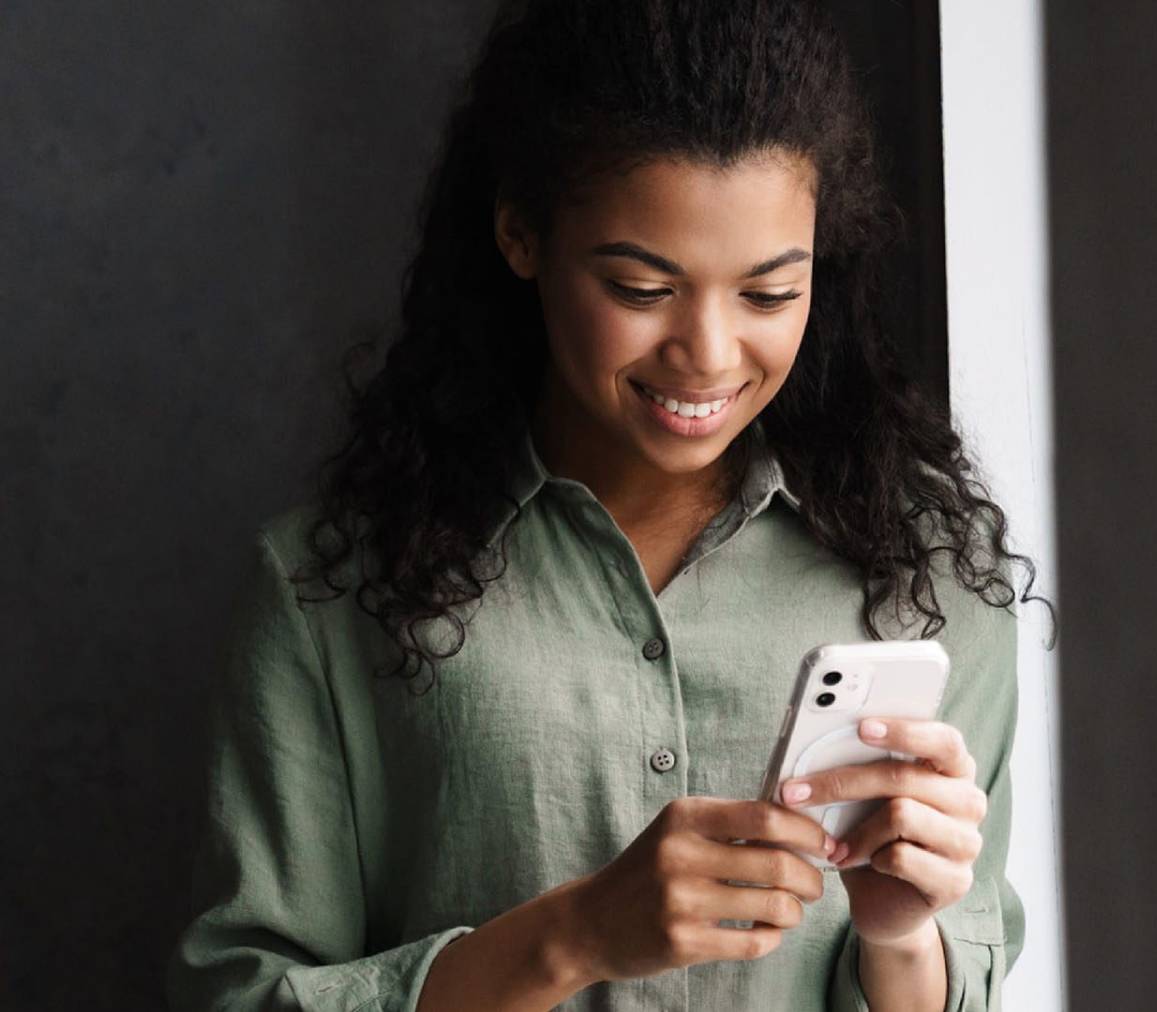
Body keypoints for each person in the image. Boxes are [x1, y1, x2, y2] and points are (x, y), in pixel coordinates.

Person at [166, 1, 1058, 1010]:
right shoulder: (331, 595)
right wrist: (574, 935)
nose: (710, 355)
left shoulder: (927, 583)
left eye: (769, 295)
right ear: (521, 234)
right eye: (641, 287)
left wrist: (900, 938)